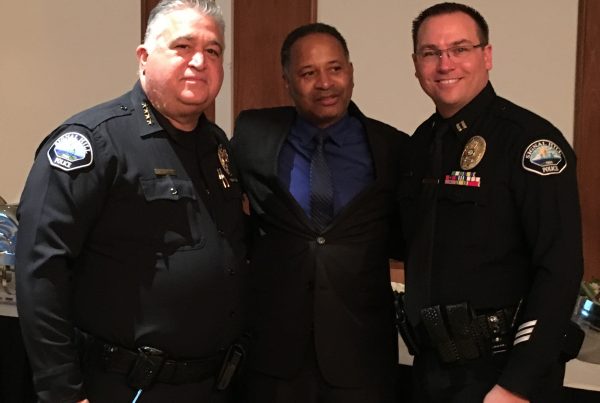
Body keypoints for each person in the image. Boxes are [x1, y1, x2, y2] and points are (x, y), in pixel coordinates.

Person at [15, 1, 248, 402]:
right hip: (123, 385)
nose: (199, 61)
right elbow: (40, 270)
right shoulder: (94, 143)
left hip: (211, 385)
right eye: (182, 46)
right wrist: (62, 393)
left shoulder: (217, 147)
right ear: (144, 58)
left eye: (213, 51)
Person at [399, 2, 584, 402]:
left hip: (503, 374)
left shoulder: (530, 144)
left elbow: (560, 269)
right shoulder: (420, 144)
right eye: (431, 53)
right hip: (433, 369)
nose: (445, 64)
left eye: (460, 49)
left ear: (487, 55)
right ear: (416, 65)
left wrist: (517, 384)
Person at [231, 22, 409, 403]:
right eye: (308, 73)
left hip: (361, 358)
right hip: (272, 358)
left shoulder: (394, 148)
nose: (325, 83)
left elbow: (408, 236)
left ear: (351, 72)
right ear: (288, 81)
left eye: (335, 68)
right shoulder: (253, 134)